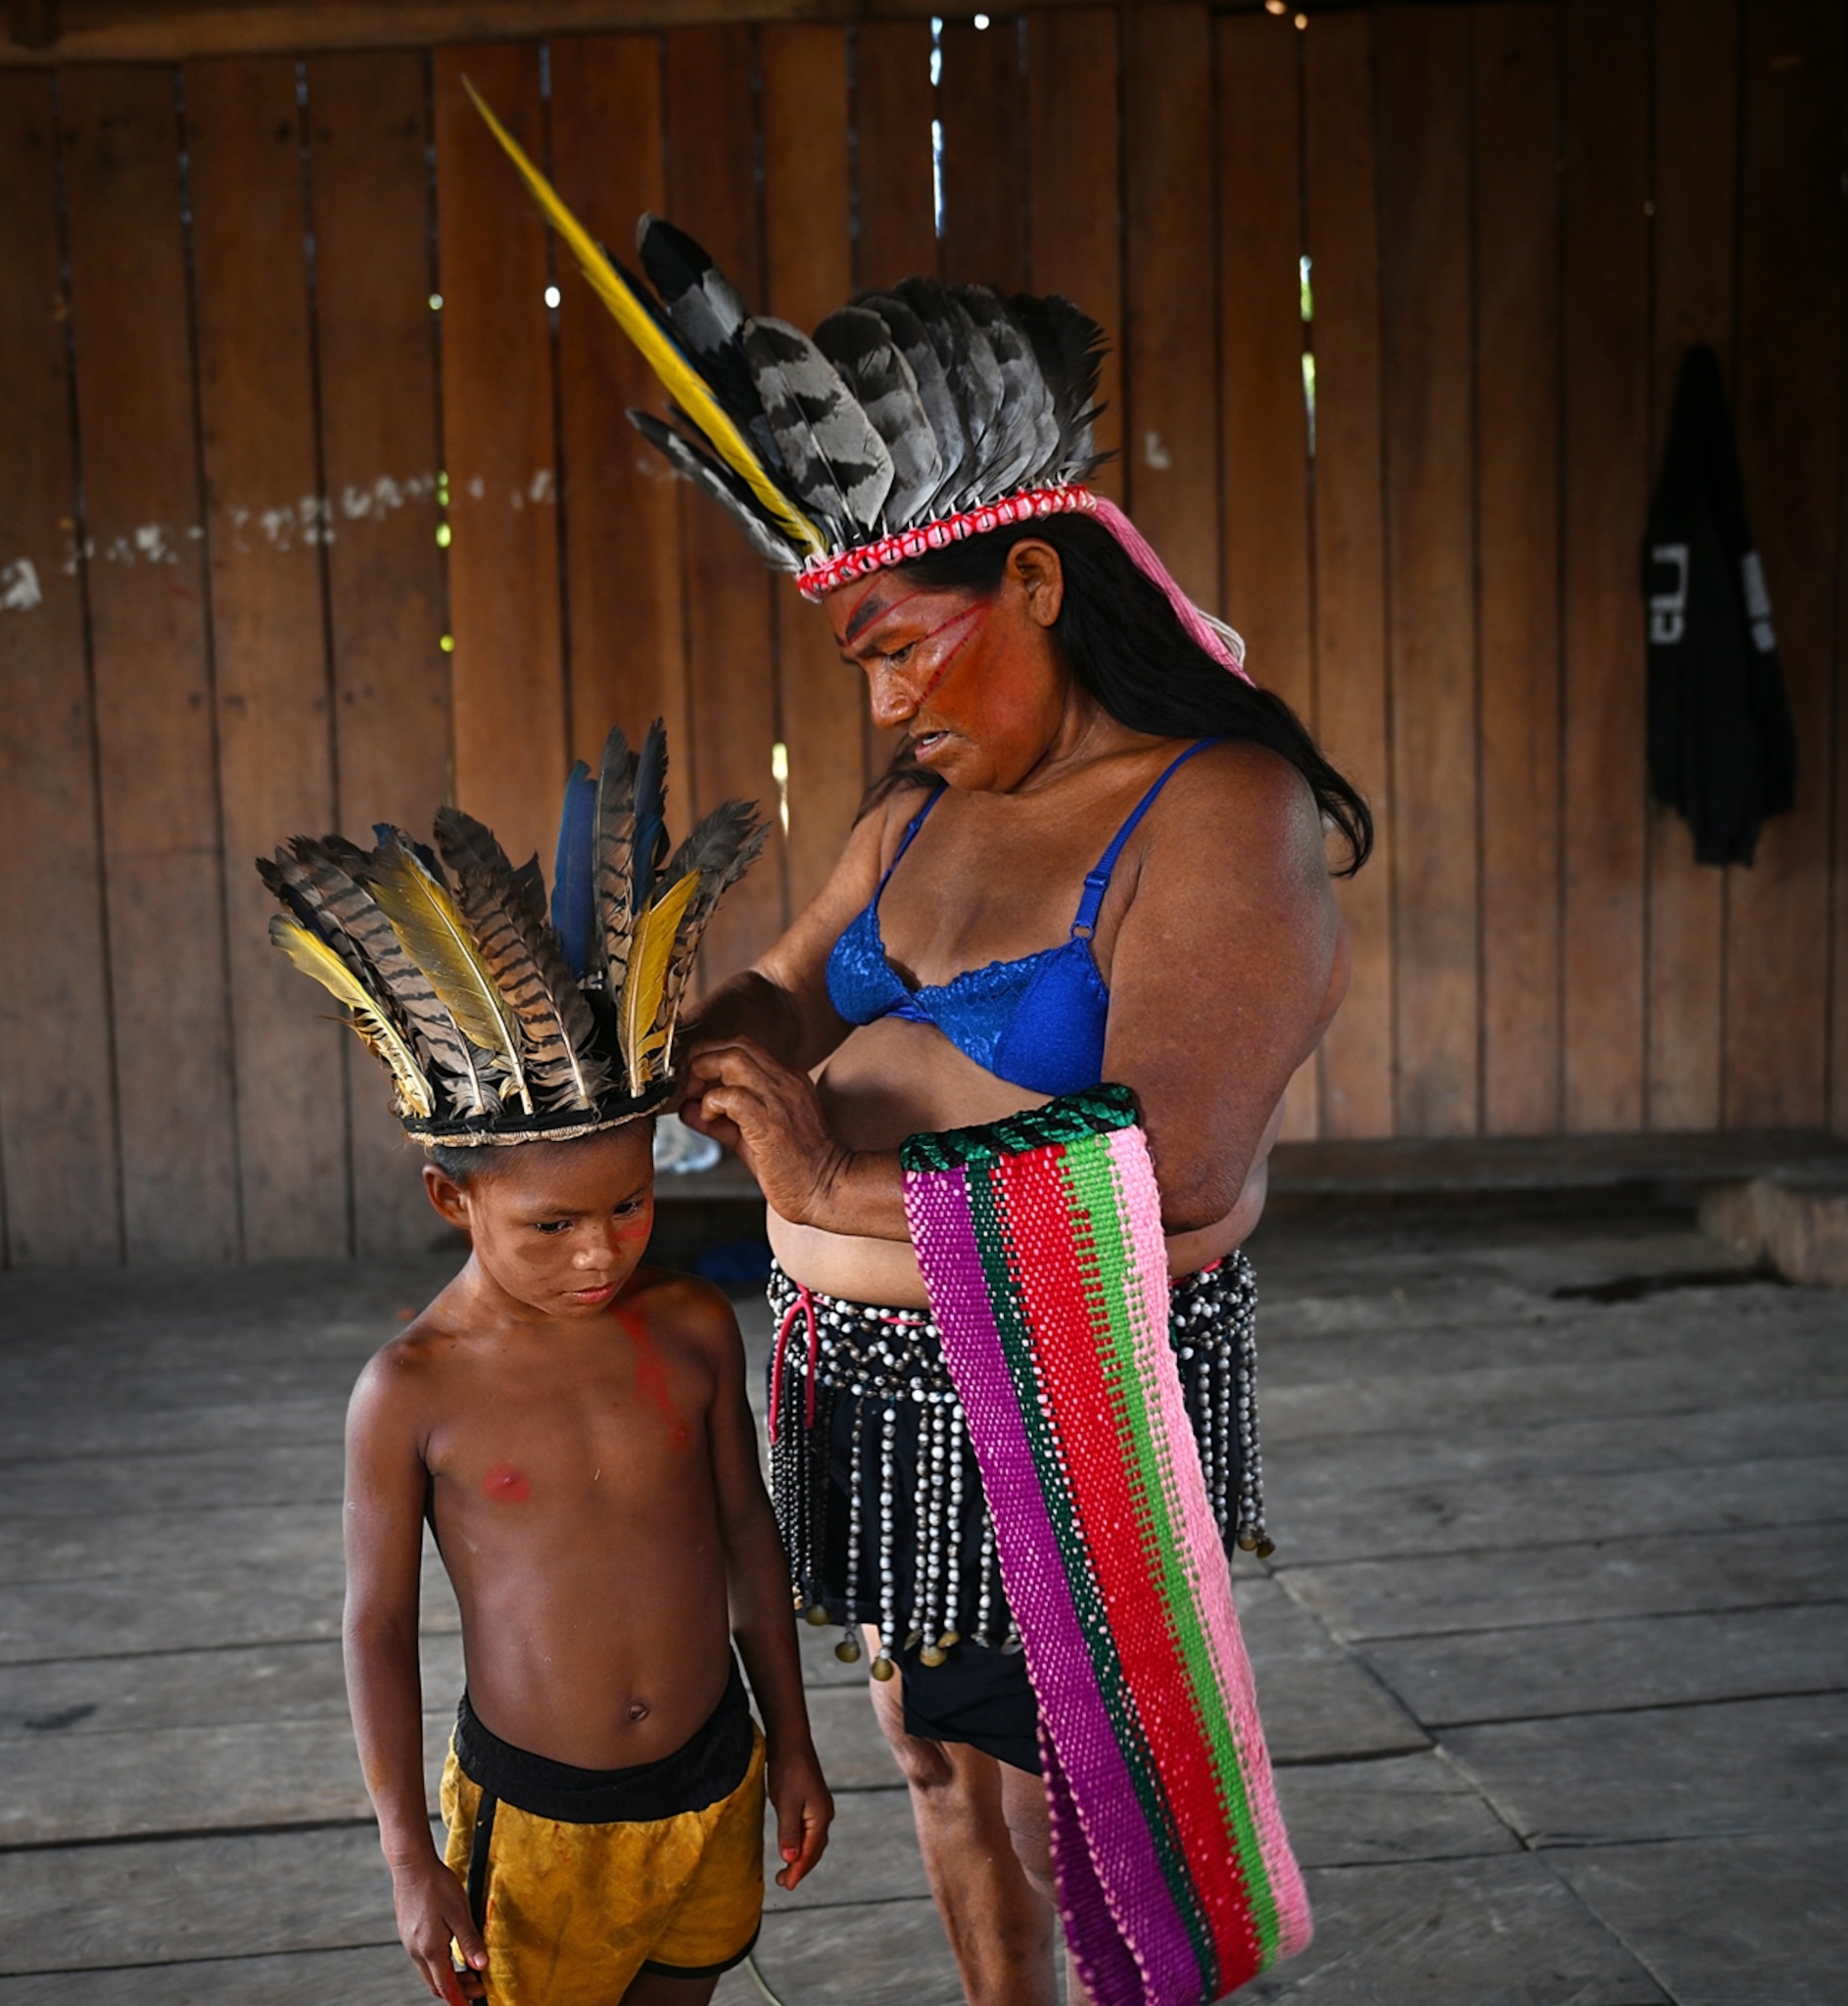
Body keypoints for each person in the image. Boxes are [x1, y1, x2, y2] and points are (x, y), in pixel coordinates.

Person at [468, 99, 1356, 2005]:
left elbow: (1178, 1163)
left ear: (1035, 584)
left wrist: (815, 1179)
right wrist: (669, 1040)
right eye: (856, 657)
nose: (878, 694)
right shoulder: (924, 802)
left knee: (1075, 1805)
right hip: (878, 1385)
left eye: (901, 643)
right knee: (941, 1767)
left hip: (1068, 1390)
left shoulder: (1222, 812)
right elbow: (794, 991)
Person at [263, 730, 831, 2006]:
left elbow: (747, 1536)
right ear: (449, 1200)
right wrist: (410, 1855)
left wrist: (793, 1743)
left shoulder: (687, 1325)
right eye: (552, 1227)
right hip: (537, 1820)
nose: (600, 1254)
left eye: (628, 1207)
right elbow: (377, 1628)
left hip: (715, 1772)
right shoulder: (412, 1391)